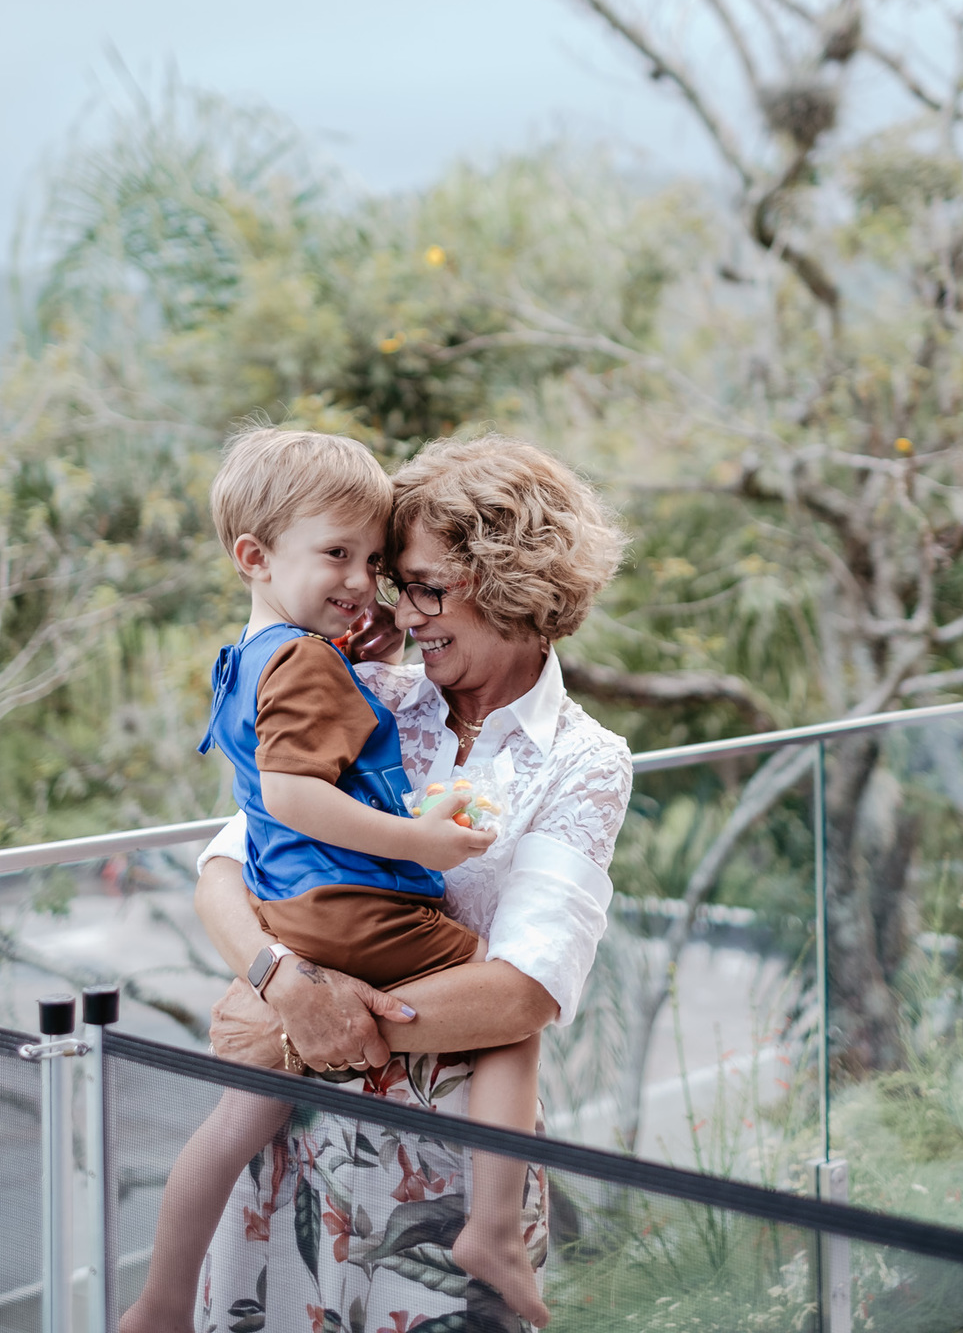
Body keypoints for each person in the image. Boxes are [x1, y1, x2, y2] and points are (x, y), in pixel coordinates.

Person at [190, 434, 633, 1333]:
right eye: (396, 581)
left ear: (509, 586)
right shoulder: (376, 696)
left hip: (451, 1180)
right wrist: (276, 980)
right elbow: (225, 866)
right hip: (299, 1142)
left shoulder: (584, 763)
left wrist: (302, 1030)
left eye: (425, 585)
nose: (401, 608)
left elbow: (520, 992)